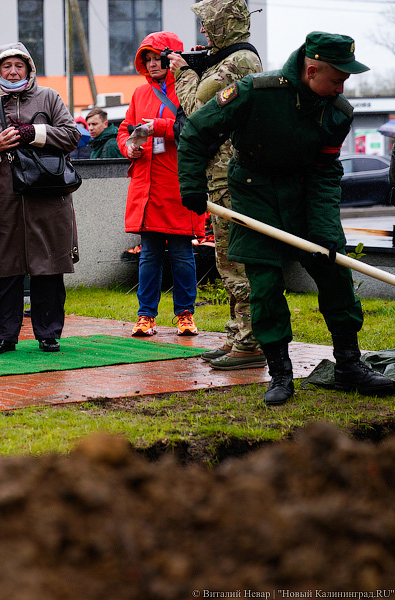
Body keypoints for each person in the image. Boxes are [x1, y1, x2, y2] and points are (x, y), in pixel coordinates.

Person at [178, 32, 395, 406]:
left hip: (305, 196)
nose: (342, 87)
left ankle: (349, 365)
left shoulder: (338, 112)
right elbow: (197, 130)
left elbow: (326, 171)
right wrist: (192, 186)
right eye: (338, 78)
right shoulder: (256, 92)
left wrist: (325, 230)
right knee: (264, 286)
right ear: (312, 70)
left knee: (335, 275)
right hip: (253, 194)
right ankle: (280, 373)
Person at [169, 0, 264, 369]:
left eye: (209, 24)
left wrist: (181, 72)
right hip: (220, 175)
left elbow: (197, 113)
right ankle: (237, 335)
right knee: (227, 260)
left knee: (235, 262)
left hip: (231, 177)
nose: (205, 31)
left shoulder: (239, 62)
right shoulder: (226, 60)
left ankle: (250, 343)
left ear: (225, 23)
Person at [0, 42, 81, 355]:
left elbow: (72, 136)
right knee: (4, 267)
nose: (13, 71)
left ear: (29, 69)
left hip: (48, 198)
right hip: (4, 198)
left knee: (48, 267)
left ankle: (48, 333)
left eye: (19, 65)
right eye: (7, 66)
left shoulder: (50, 97)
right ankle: (4, 335)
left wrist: (37, 133)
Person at [117, 31, 202, 338]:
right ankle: (145, 317)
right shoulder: (139, 94)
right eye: (148, 59)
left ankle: (185, 315)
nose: (153, 64)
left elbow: (192, 126)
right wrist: (128, 147)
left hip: (177, 183)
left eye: (158, 58)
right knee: (149, 255)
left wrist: (158, 127)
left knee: (182, 254)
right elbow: (125, 130)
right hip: (146, 184)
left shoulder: (189, 88)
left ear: (172, 58)